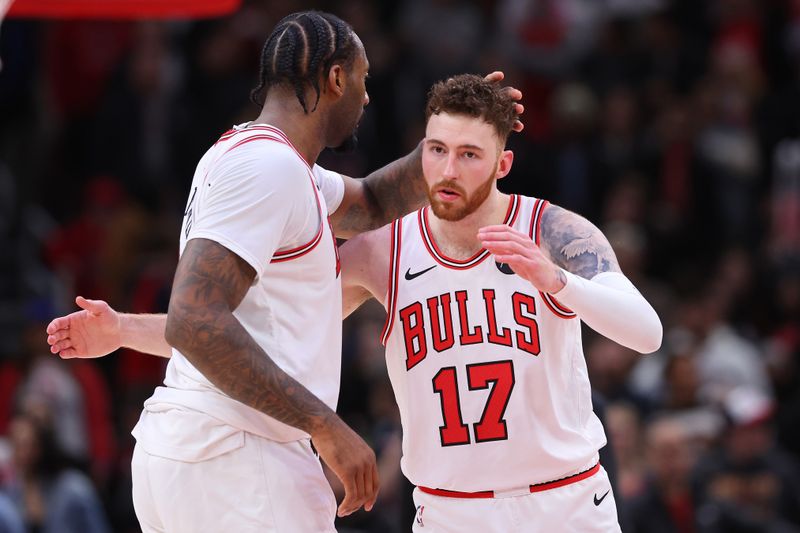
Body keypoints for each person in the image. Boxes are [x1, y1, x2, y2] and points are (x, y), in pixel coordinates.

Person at [49, 74, 661, 532]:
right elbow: (261, 336)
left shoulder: (554, 232)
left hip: (566, 501)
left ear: (502, 163)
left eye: (470, 155)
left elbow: (646, 332)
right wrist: (125, 328)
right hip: (450, 513)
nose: (448, 169)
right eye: (437, 149)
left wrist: (556, 282)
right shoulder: (382, 250)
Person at [46, 12, 524, 533]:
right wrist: (325, 424)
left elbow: (372, 200)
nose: (367, 98)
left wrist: (450, 141)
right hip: (239, 463)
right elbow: (194, 318)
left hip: (200, 456)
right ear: (336, 78)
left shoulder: (268, 164)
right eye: (362, 80)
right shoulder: (266, 169)